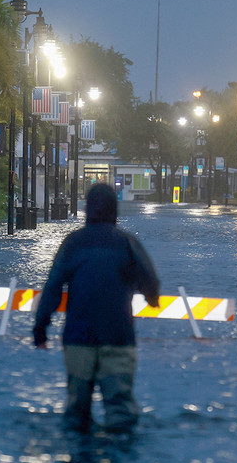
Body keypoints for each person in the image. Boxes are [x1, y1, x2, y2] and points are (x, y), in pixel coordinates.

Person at [34, 183, 161, 433]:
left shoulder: (72, 244)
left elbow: (52, 287)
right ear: (115, 210)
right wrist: (151, 298)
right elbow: (150, 281)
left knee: (76, 413)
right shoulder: (127, 243)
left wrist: (40, 328)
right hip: (118, 337)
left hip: (78, 338)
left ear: (86, 209)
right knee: (120, 411)